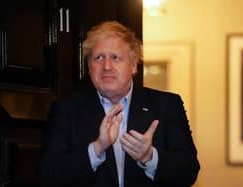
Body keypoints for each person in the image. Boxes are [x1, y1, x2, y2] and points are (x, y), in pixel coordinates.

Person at [39, 21, 200, 187]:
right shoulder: (66, 110)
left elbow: (189, 171)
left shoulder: (167, 105)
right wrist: (96, 149)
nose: (106, 66)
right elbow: (49, 176)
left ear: (133, 65)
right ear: (89, 67)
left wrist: (150, 157)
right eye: (99, 58)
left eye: (115, 58)